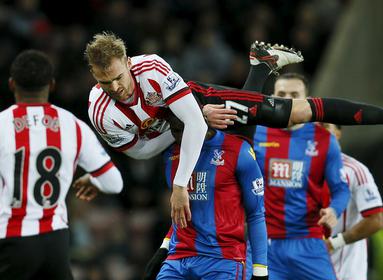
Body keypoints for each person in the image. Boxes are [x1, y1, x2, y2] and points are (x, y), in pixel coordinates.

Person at [85, 32, 383, 227]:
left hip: (198, 100)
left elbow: (194, 122)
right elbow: (140, 152)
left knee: (288, 114)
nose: (116, 87)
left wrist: (180, 180)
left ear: (128, 62)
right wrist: (185, 124)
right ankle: (262, 66)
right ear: (94, 76)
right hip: (174, 137)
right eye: (104, 82)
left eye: (119, 77)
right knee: (238, 150)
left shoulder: (152, 68)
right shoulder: (100, 112)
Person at [0, 50, 123, 280]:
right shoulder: (73, 125)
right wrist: (92, 180)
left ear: (12, 84)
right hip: (55, 240)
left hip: (12, 238)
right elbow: (114, 183)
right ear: (52, 85)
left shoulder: (2, 125)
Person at [251, 73, 350, 280]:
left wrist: (334, 210)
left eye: (295, 94)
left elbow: (341, 189)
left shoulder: (324, 140)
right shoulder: (255, 134)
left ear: (307, 100)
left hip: (308, 243)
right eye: (281, 94)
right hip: (263, 245)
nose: (287, 99)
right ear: (272, 97)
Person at [146, 114, 268, 280]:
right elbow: (182, 213)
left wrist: (261, 273)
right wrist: (163, 248)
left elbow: (256, 215)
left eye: (183, 130)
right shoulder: (170, 154)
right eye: (175, 130)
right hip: (178, 260)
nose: (179, 137)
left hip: (222, 262)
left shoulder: (238, 150)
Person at [323, 124, 383, 280]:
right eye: (312, 127)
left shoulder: (355, 170)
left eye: (324, 126)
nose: (318, 132)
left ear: (338, 132)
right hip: (302, 273)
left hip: (346, 277)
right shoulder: (297, 167)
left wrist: (333, 243)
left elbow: (376, 220)